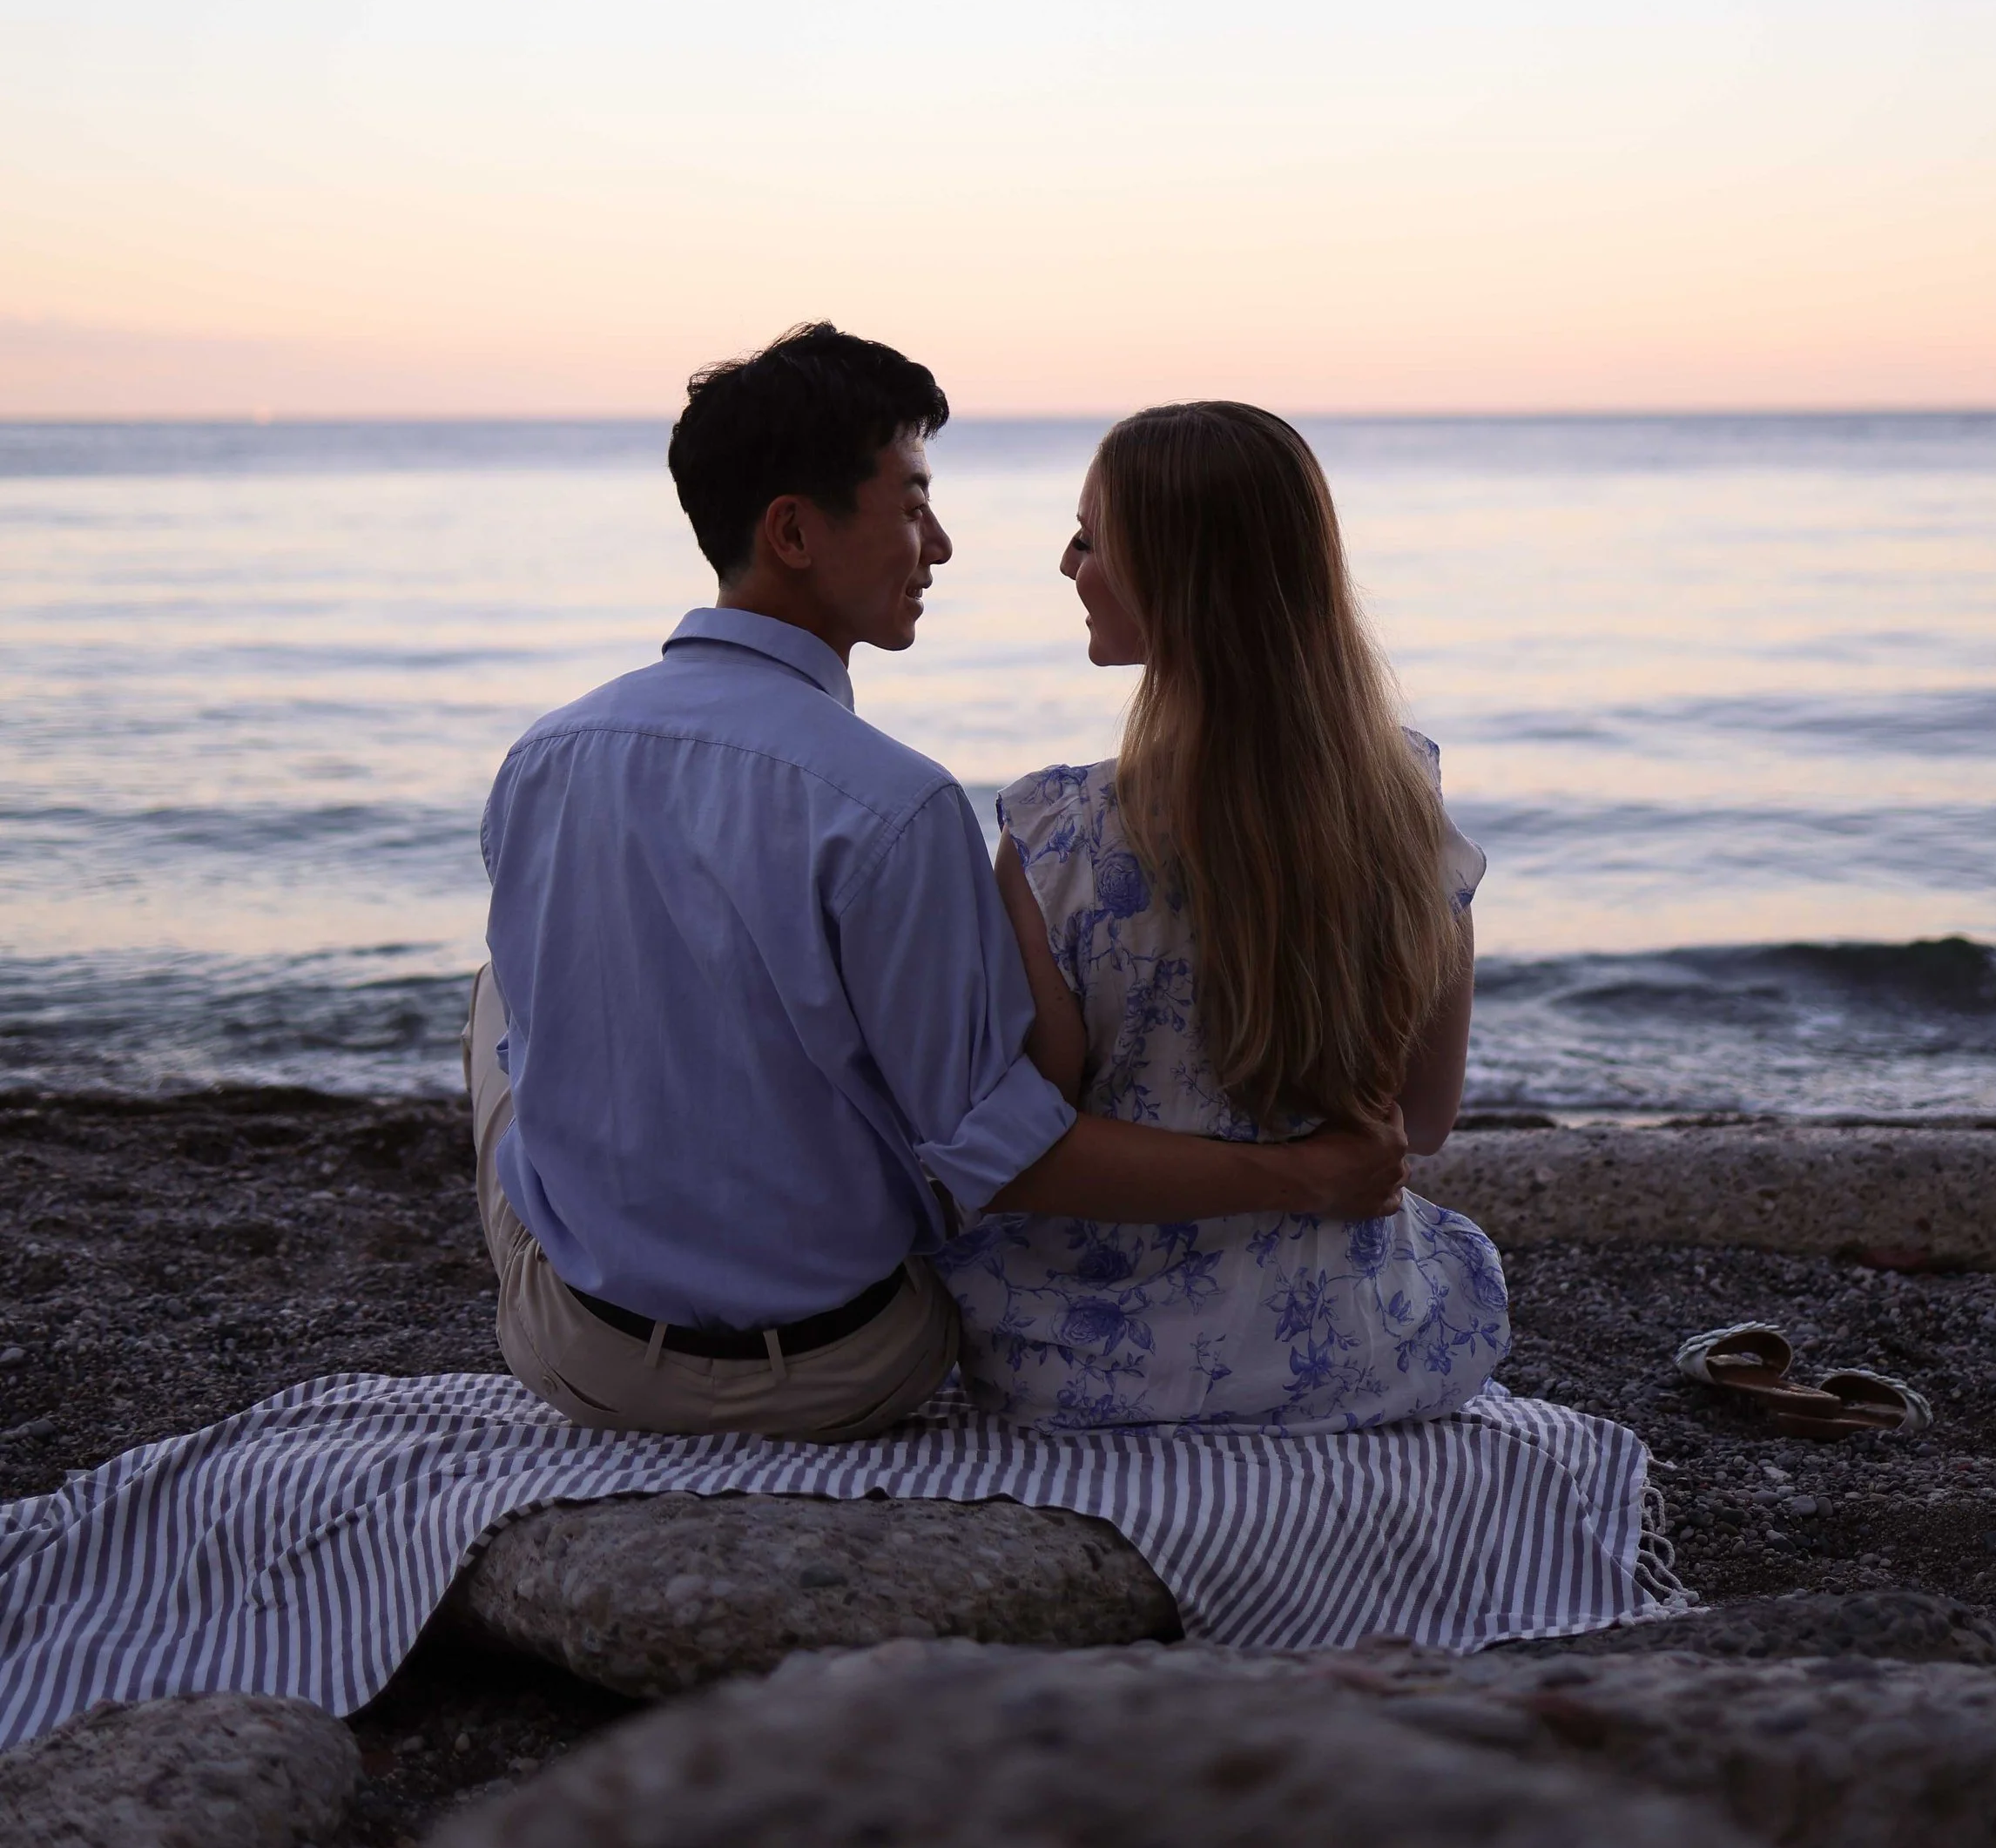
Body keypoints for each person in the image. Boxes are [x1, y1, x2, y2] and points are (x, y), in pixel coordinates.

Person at [469, 325, 1410, 1440]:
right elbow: (1002, 1153)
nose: (942, 545)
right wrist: (1308, 1177)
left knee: (501, 1003)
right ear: (792, 532)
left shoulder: (545, 756)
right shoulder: (893, 803)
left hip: (583, 1355)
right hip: (849, 1369)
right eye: (913, 504)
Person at [937, 401, 1509, 1428]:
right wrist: (1307, 1170)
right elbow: (1422, 1121)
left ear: (1173, 575)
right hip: (1356, 1347)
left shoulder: (1060, 837)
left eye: (1089, 539)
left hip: (1094, 1360)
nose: (1067, 564)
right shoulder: (1401, 806)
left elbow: (1026, 1155)